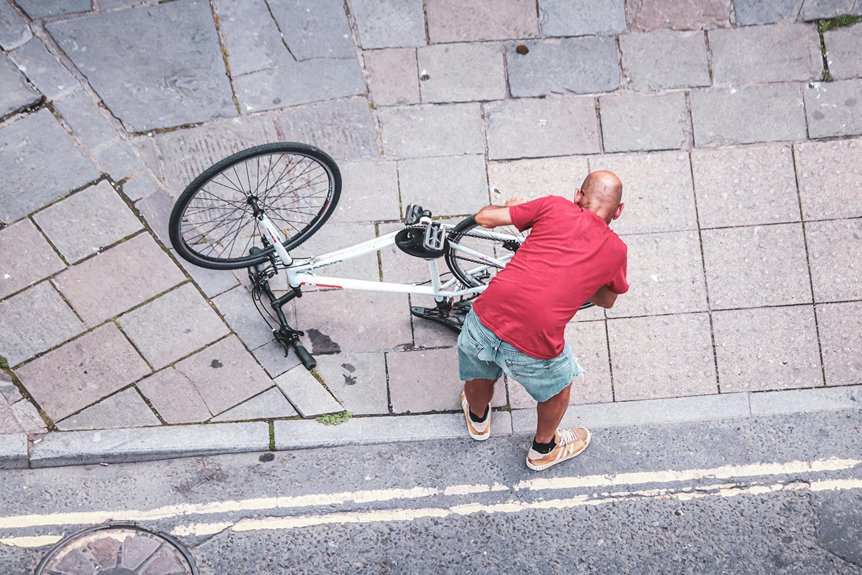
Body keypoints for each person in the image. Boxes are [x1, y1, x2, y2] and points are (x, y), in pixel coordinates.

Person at [457, 170, 628, 471]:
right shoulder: (616, 251)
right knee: (558, 388)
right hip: (535, 341)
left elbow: (484, 218)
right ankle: (543, 449)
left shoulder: (554, 206)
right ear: (618, 211)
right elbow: (607, 300)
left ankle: (478, 418)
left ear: (577, 195)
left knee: (480, 367)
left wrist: (516, 207)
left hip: (486, 315)